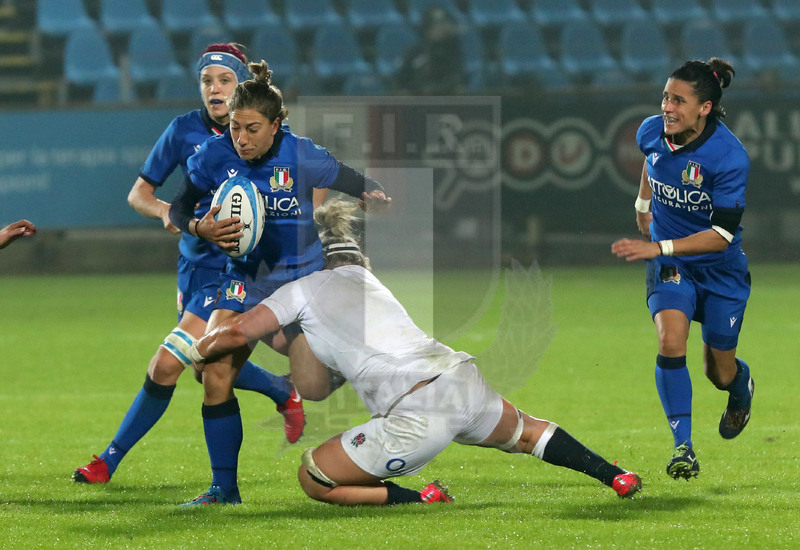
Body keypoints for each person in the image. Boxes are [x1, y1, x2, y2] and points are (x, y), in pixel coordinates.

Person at [188, 199, 642, 506]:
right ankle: (613, 476)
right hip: (457, 376)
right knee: (526, 433)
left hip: (415, 410)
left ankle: (418, 497)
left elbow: (237, 333)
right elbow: (314, 374)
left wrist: (199, 349)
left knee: (314, 476)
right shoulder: (367, 282)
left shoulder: (300, 290)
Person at [72, 44, 307, 486]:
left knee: (168, 363)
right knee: (206, 367)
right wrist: (172, 215)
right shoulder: (183, 131)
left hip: (238, 275)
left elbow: (300, 194)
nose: (214, 89)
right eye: (207, 81)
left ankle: (109, 460)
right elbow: (139, 194)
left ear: (243, 88)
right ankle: (281, 389)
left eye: (224, 80)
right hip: (195, 268)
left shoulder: (269, 136)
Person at [168, 62, 391, 505]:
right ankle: (223, 490)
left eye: (252, 129)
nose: (241, 138)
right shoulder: (215, 156)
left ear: (275, 126)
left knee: (312, 387)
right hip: (244, 281)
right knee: (212, 372)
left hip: (301, 285)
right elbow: (178, 209)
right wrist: (200, 228)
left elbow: (360, 183)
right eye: (234, 128)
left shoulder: (303, 154)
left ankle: (332, 371)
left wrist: (374, 196)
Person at [611, 58, 754, 481]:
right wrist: (642, 204)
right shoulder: (651, 130)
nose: (667, 107)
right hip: (672, 265)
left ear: (704, 108)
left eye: (678, 100)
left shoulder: (729, 157)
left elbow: (722, 235)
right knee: (671, 340)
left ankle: (739, 384)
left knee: (718, 370)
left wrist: (657, 243)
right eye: (665, 97)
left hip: (720, 269)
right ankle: (683, 448)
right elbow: (652, 163)